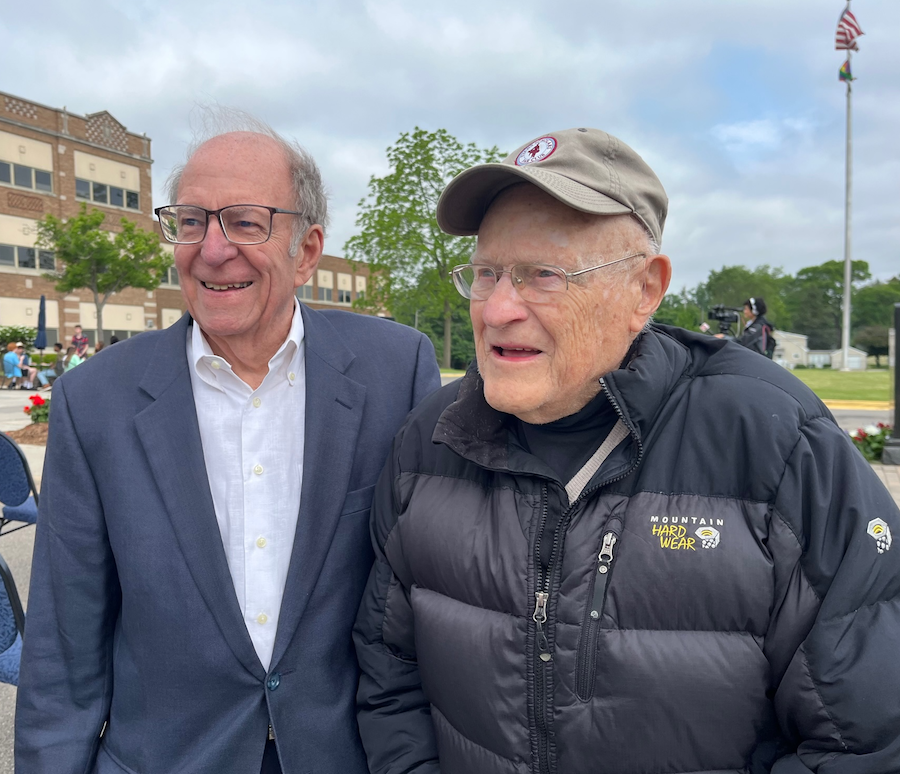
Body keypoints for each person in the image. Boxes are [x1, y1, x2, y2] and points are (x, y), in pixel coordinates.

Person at [354, 128, 900, 774]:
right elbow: (389, 681)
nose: (498, 308)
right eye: (487, 273)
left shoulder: (777, 445)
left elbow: (865, 739)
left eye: (543, 276)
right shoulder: (429, 442)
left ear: (644, 290)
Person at [16, 115, 440, 774]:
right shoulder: (95, 400)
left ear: (306, 250)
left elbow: (430, 603)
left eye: (245, 221)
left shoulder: (396, 372)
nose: (212, 249)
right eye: (191, 221)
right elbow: (61, 653)